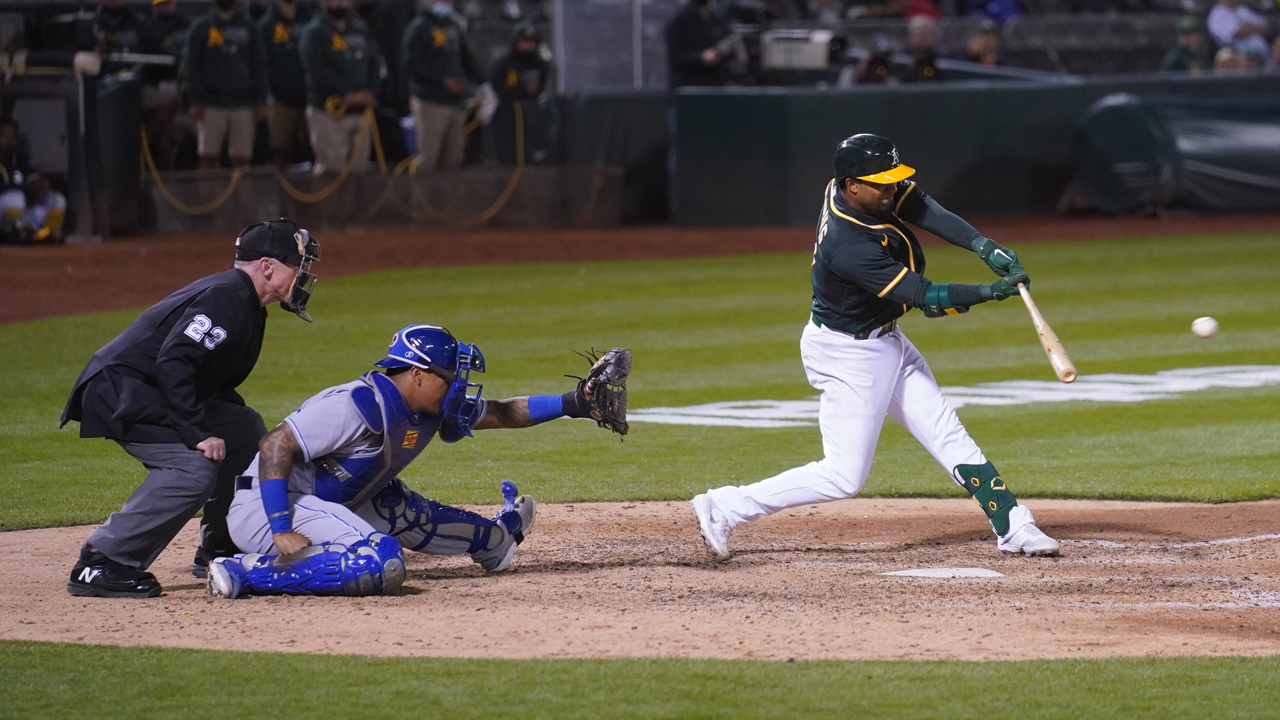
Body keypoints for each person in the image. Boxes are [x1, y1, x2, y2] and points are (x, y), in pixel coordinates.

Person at [691, 134, 1060, 562]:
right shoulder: (849, 245)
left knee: (947, 433)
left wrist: (981, 245)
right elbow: (925, 295)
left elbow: (920, 205)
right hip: (848, 355)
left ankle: (1013, 524)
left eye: (892, 181)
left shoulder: (851, 192)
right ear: (852, 185)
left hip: (884, 341)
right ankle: (725, 506)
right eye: (881, 183)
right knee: (844, 476)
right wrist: (990, 291)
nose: (891, 190)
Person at [206, 325, 614, 598]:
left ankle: (497, 539)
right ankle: (245, 572)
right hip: (268, 507)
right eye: (449, 377)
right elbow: (275, 444)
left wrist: (574, 404)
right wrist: (280, 527)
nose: (457, 386)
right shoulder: (356, 404)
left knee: (398, 507)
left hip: (331, 499)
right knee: (379, 561)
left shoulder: (429, 407)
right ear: (418, 374)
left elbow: (502, 412)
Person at [61, 219, 322, 598]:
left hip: (148, 388)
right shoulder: (228, 297)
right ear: (267, 266)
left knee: (243, 429)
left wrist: (212, 422)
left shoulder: (243, 301)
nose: (302, 277)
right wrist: (196, 431)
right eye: (297, 267)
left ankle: (222, 544)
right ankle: (102, 561)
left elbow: (204, 376)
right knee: (193, 469)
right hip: (122, 392)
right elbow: (174, 362)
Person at [299, 0, 382, 175]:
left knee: (359, 171)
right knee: (332, 171)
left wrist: (372, 91)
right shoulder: (315, 32)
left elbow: (375, 63)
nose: (339, 4)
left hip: (360, 112)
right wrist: (346, 93)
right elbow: (317, 69)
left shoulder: (361, 30)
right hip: (329, 112)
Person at [184, 0, 269, 169]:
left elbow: (259, 66)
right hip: (211, 103)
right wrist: (194, 101)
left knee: (241, 160)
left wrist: (260, 101)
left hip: (243, 103)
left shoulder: (249, 27)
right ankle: (208, 196)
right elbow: (191, 67)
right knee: (207, 158)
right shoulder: (202, 27)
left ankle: (243, 195)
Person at [401, 0, 483, 170]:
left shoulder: (453, 26)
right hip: (429, 102)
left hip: (455, 102)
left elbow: (466, 58)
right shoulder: (419, 27)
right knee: (428, 160)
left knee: (453, 160)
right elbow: (410, 64)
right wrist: (442, 79)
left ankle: (447, 197)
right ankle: (420, 197)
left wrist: (484, 84)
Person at [485, 22, 551, 166]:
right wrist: (522, 90)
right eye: (524, 41)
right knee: (507, 150)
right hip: (506, 110)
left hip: (530, 111)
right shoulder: (502, 63)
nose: (528, 45)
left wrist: (532, 92)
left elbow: (541, 87)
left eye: (532, 42)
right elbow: (495, 87)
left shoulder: (540, 64)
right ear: (516, 42)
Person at [259, 0, 315, 168]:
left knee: (317, 150)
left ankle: (319, 193)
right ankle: (280, 193)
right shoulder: (266, 25)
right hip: (280, 99)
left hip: (312, 98)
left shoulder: (312, 20)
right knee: (279, 152)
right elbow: (261, 65)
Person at [143, 0, 190, 171]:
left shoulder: (187, 25)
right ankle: (142, 149)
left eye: (168, 3)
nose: (165, 7)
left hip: (186, 87)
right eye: (161, 4)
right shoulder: (146, 26)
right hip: (154, 84)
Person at [665, 0, 731, 88]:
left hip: (715, 85)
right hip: (689, 86)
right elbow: (675, 56)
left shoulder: (717, 21)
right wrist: (700, 57)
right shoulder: (679, 23)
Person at [1207, 0, 1272, 69]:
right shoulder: (1218, 14)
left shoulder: (1243, 9)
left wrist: (1248, 28)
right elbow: (1238, 34)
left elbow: (1266, 28)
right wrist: (1254, 28)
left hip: (1262, 56)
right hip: (1237, 55)